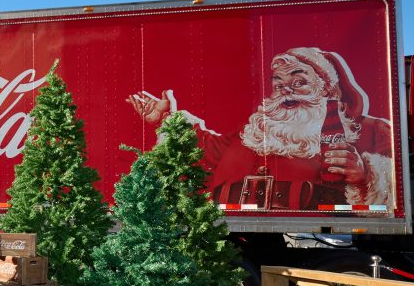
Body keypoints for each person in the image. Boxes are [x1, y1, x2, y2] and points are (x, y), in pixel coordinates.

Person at [127, 47, 393, 210]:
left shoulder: (371, 131)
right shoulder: (253, 135)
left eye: (298, 82)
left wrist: (365, 174)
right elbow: (203, 148)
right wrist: (168, 119)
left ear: (327, 88)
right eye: (278, 83)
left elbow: (393, 185)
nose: (286, 90)